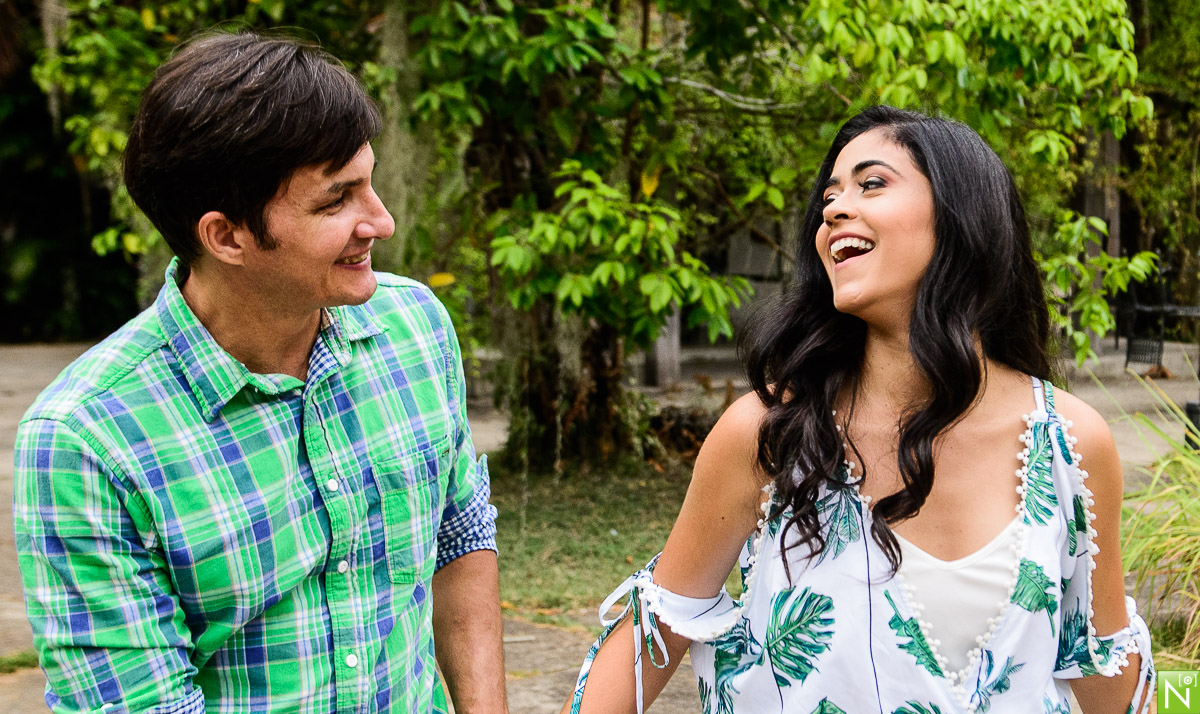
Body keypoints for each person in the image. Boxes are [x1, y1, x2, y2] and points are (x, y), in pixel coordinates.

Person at [564, 106, 1154, 714]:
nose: (834, 211)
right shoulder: (771, 433)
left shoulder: (1069, 444)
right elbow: (652, 634)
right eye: (829, 197)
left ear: (962, 214)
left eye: (871, 184)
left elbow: (1106, 674)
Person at [13, 31, 507, 714]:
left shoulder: (415, 328)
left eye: (370, 183)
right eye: (336, 201)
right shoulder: (89, 440)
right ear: (226, 236)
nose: (382, 221)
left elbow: (460, 535)